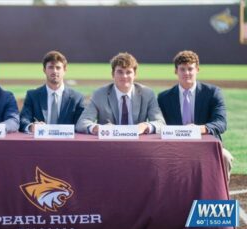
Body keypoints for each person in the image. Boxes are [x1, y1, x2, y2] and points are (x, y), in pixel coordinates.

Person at [158, 50, 233, 180]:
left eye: (190, 69)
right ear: (176, 71)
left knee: (225, 157)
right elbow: (158, 125)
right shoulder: (164, 97)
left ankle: (220, 197)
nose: (187, 73)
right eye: (182, 69)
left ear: (197, 69)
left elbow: (221, 123)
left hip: (205, 144)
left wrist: (199, 129)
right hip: (175, 147)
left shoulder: (213, 93)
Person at [76, 52, 165, 135]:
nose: (124, 76)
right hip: (109, 145)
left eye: (128, 72)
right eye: (120, 72)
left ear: (135, 74)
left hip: (137, 144)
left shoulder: (147, 94)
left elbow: (160, 123)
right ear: (112, 74)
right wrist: (97, 128)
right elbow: (82, 122)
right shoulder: (99, 94)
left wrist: (146, 126)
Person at [19, 50, 85, 133]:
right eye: (50, 67)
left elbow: (82, 124)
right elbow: (23, 119)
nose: (54, 71)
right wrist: (31, 127)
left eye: (58, 67)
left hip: (67, 144)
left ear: (65, 70)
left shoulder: (77, 98)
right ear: (44, 70)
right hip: (40, 144)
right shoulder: (32, 95)